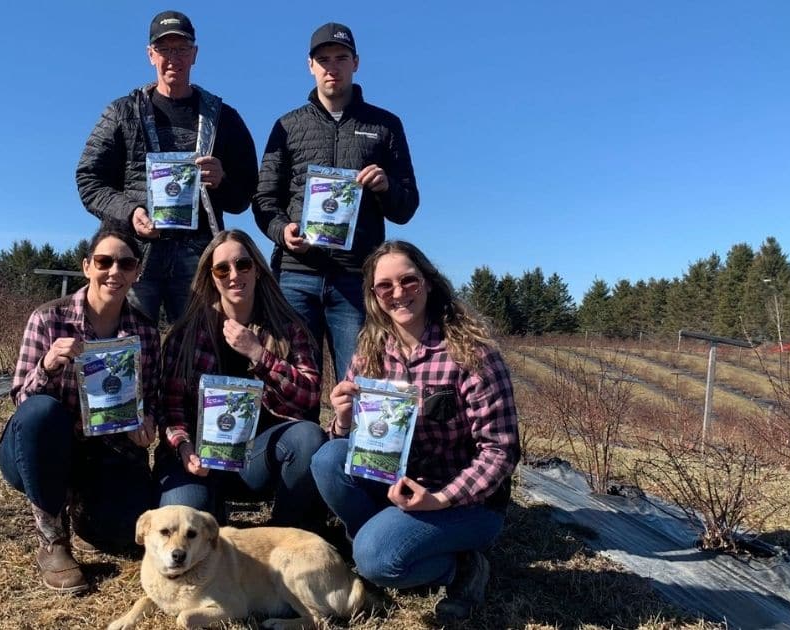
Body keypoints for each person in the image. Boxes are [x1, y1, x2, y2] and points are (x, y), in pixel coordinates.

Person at [309, 241, 520, 620]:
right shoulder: (371, 349)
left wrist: (440, 500)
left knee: (376, 559)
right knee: (327, 459)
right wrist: (342, 419)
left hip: (464, 502)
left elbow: (501, 451)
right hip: (401, 484)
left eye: (409, 280)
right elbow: (353, 445)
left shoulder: (470, 352)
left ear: (428, 282)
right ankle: (388, 539)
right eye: (384, 286)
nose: (398, 293)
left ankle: (461, 566)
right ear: (373, 296)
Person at [253, 21, 419, 385]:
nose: (332, 66)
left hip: (356, 280)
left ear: (356, 63)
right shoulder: (287, 126)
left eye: (341, 57)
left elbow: (406, 207)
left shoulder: (386, 125)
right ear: (310, 65)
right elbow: (263, 199)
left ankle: (348, 443)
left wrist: (386, 186)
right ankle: (300, 443)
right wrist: (283, 232)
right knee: (293, 386)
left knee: (360, 386)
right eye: (323, 59)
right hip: (295, 277)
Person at [0, 223, 160, 594]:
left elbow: (149, 398)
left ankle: (86, 513)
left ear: (137, 272)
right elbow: (22, 404)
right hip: (42, 448)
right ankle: (52, 539)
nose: (114, 272)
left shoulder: (146, 333)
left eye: (125, 263)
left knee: (125, 534)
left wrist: (147, 420)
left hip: (103, 451)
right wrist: (49, 365)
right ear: (87, 266)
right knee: (41, 413)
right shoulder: (48, 319)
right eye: (104, 261)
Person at [76, 9, 258, 324]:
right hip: (135, 253)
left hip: (199, 253)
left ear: (195, 54)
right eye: (164, 49)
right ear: (150, 55)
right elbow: (89, 180)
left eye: (182, 49)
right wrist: (130, 212)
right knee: (129, 343)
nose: (173, 57)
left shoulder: (225, 118)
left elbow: (244, 196)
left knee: (196, 348)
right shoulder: (121, 112)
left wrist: (222, 180)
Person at [155, 229, 327, 531]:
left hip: (255, 459)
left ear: (258, 270)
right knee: (179, 519)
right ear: (211, 277)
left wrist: (259, 354)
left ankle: (286, 533)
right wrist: (183, 448)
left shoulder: (288, 328)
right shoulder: (187, 333)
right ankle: (210, 507)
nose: (234, 274)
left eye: (243, 264)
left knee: (308, 436)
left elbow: (310, 396)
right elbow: (171, 406)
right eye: (222, 268)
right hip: (198, 459)